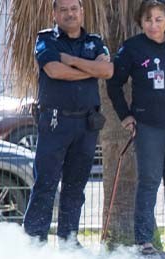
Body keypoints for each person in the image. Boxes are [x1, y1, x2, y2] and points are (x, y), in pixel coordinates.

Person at [107, 0, 165, 255]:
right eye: (148, 20)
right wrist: (125, 116)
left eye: (159, 19)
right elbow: (114, 84)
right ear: (141, 22)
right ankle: (144, 240)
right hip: (149, 126)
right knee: (149, 181)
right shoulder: (132, 48)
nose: (153, 25)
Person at [24, 0, 113, 246]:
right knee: (46, 183)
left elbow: (107, 71)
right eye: (63, 9)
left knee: (75, 187)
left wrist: (71, 61)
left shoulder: (94, 41)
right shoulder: (46, 40)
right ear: (54, 14)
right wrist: (91, 69)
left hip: (86, 125)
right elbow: (54, 70)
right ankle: (34, 242)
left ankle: (69, 241)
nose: (69, 14)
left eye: (74, 9)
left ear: (82, 12)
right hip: (54, 122)